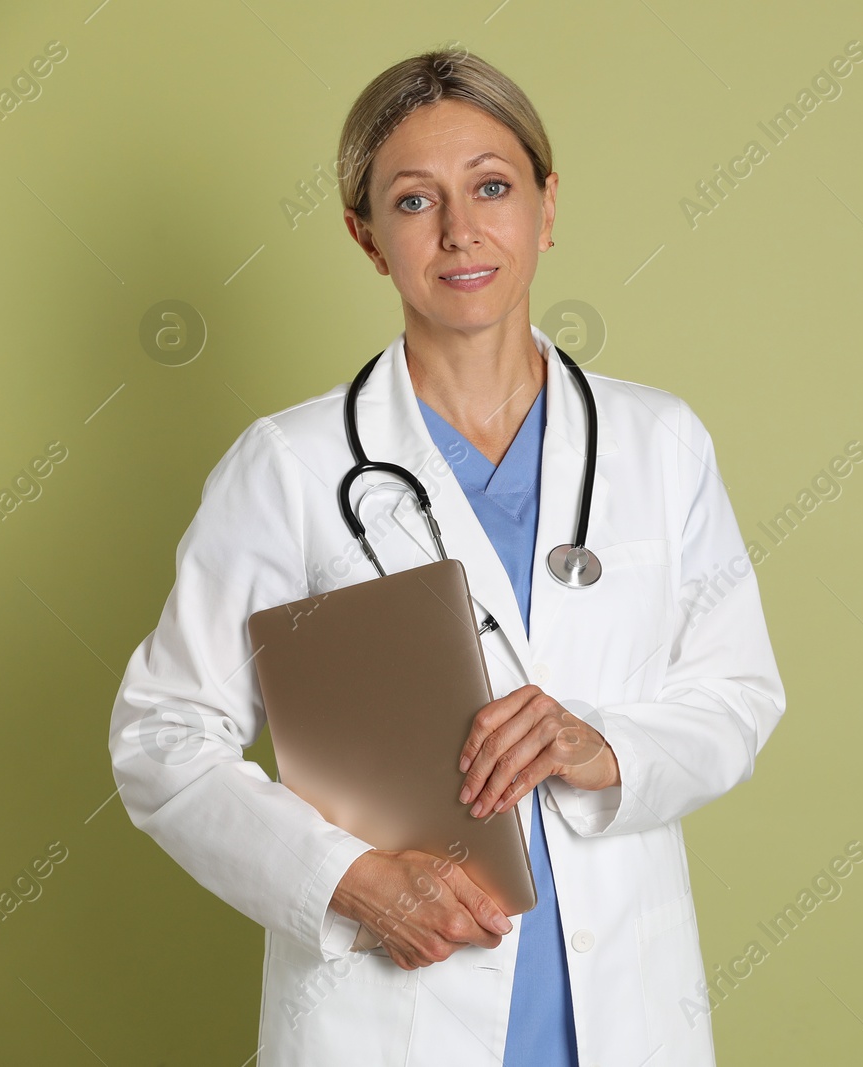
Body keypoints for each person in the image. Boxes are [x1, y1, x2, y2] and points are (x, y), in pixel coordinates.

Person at [107, 47, 785, 1067]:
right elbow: (162, 735)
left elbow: (737, 694)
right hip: (387, 1013)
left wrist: (603, 747)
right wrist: (346, 880)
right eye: (414, 200)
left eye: (493, 187)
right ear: (367, 236)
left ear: (547, 207)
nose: (461, 230)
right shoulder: (291, 466)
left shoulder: (660, 441)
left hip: (624, 1012)